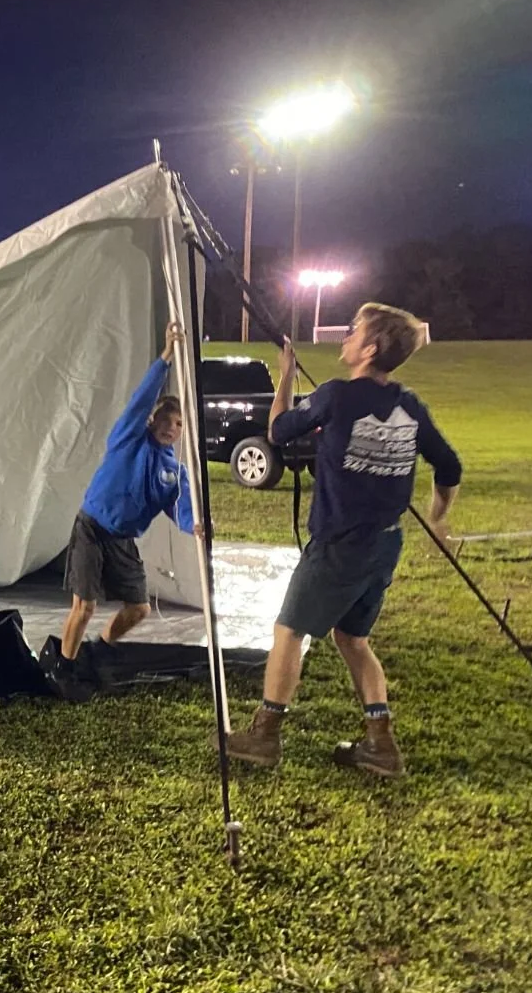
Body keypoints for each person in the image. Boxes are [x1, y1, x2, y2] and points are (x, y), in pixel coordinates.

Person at [225, 302, 461, 777]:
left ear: (370, 349)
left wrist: (285, 376)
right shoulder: (410, 405)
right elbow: (449, 467)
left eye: (355, 331)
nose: (346, 336)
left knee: (289, 631)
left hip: (338, 545)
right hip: (384, 545)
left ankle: (264, 736)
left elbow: (276, 432)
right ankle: (381, 745)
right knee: (352, 637)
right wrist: (438, 521)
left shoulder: (335, 395)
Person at [42, 321, 196, 690]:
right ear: (151, 419)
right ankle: (64, 667)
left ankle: (100, 651)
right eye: (165, 418)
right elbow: (141, 398)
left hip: (123, 540)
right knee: (86, 606)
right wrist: (166, 358)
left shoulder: (175, 472)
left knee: (139, 608)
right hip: (92, 528)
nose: (170, 427)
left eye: (178, 423)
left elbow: (183, 510)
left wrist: (197, 527)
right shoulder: (129, 437)